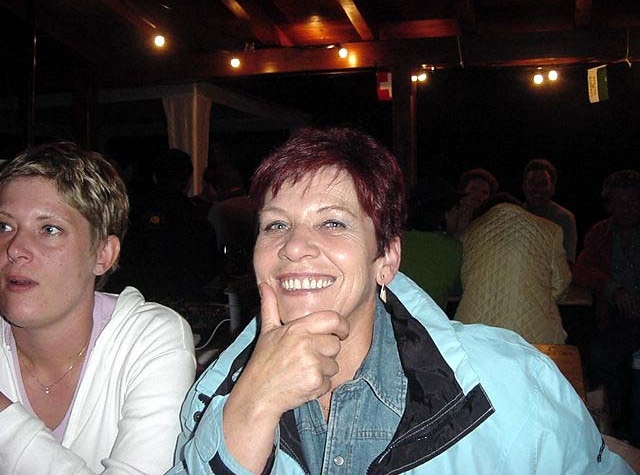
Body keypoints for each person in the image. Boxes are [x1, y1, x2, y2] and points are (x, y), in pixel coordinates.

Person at [168, 127, 632, 474]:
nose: (293, 247)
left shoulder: (509, 383)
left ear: (386, 259)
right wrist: (250, 408)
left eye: (332, 222)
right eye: (276, 224)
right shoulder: (213, 396)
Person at [0, 142, 196, 474]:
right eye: (3, 226)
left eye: (49, 229)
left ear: (103, 255)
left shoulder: (146, 339)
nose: (15, 248)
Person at [573, 169, 640, 442]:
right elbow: (581, 270)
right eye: (619, 202)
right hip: (613, 319)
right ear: (608, 204)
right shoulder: (599, 232)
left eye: (633, 201)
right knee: (597, 356)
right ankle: (612, 430)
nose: (626, 208)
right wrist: (613, 290)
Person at [455, 193, 572, 344]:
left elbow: (464, 282)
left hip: (474, 334)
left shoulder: (469, 232)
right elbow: (561, 284)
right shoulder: (551, 230)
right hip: (534, 336)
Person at [107, 148, 218, 304]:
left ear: (155, 176)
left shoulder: (131, 213)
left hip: (136, 300)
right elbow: (207, 270)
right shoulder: (196, 217)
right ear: (189, 180)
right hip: (182, 302)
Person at [400, 177, 462, 311]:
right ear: (445, 213)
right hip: (428, 323)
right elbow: (456, 292)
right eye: (457, 210)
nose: (459, 215)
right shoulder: (453, 248)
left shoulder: (398, 240)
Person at [522, 158, 577, 262]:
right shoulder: (515, 214)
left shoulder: (564, 219)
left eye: (543, 184)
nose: (537, 188)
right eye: (533, 182)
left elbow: (568, 262)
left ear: (552, 189)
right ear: (524, 186)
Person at [445, 168, 498, 239]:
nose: (478, 195)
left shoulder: (488, 221)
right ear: (463, 189)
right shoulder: (447, 208)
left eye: (484, 193)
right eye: (473, 189)